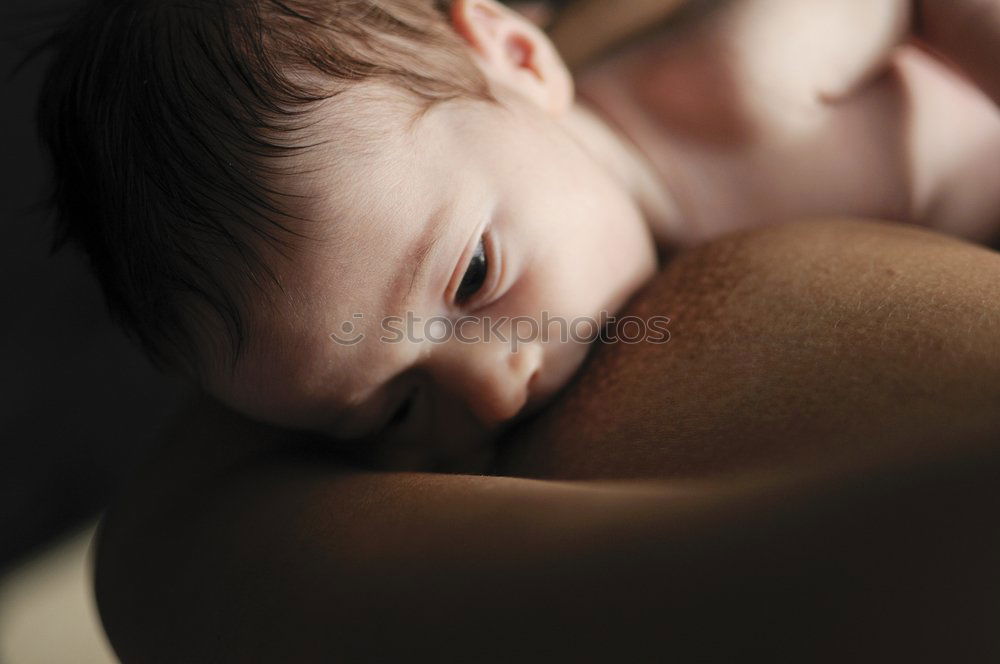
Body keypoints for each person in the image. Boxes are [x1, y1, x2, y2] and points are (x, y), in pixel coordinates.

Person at [35, 0, 1000, 472]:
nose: (495, 389)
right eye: (396, 412)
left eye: (474, 278)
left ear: (520, 57)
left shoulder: (739, 86)